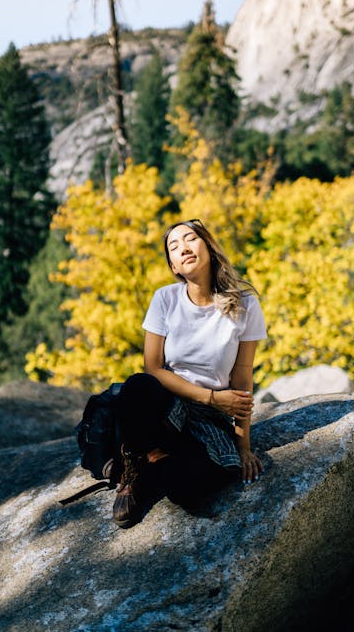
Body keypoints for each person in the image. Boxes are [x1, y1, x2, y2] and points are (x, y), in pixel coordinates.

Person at [112, 219, 267, 528]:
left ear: (207, 246)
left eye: (190, 239)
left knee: (182, 487)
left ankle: (159, 461)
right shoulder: (165, 299)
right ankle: (135, 465)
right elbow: (153, 367)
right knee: (138, 387)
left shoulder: (246, 304)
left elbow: (242, 378)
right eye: (174, 246)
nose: (183, 248)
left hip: (211, 419)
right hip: (169, 406)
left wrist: (243, 444)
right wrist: (211, 396)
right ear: (173, 266)